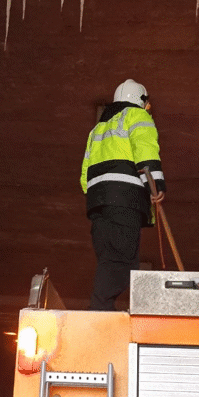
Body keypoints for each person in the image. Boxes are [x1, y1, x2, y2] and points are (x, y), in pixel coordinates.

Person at [80, 79, 166, 310]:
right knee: (121, 261)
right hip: (124, 201)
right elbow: (145, 153)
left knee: (109, 259)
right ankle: (100, 311)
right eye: (147, 103)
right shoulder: (138, 117)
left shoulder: (98, 128)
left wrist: (99, 196)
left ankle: (103, 309)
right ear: (141, 100)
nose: (149, 108)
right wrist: (156, 187)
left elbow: (84, 175)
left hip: (99, 204)